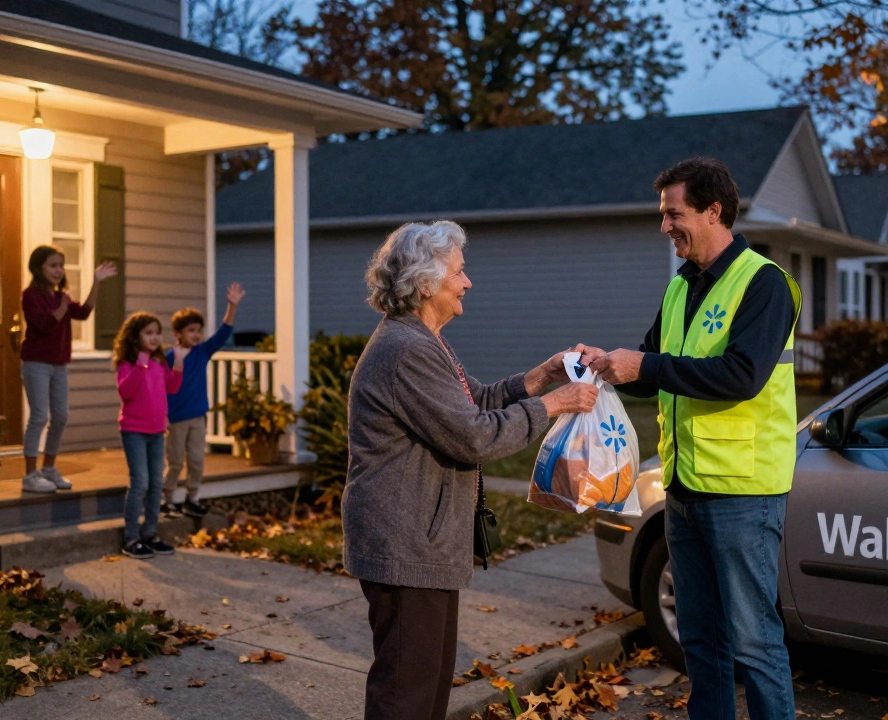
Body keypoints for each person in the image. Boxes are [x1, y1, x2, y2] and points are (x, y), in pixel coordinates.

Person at [343, 220, 598, 720]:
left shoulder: (422, 339)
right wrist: (555, 404)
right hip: (406, 543)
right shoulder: (405, 349)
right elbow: (475, 434)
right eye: (459, 272)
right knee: (405, 695)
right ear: (424, 283)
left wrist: (538, 378)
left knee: (427, 686)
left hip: (423, 543)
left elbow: (471, 401)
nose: (468, 282)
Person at [587, 157, 801, 720]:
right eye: (662, 215)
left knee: (754, 645)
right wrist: (603, 368)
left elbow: (741, 376)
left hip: (743, 496)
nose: (665, 227)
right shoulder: (681, 287)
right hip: (683, 493)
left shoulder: (764, 283)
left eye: (673, 214)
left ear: (713, 211)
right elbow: (649, 371)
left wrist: (645, 367)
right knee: (701, 643)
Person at [19, 245, 118, 493]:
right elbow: (43, 324)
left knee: (61, 416)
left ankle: (49, 468)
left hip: (59, 364)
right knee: (40, 416)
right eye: (53, 265)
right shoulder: (31, 295)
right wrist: (63, 304)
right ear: (38, 268)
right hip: (36, 364)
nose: (58, 270)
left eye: (61, 265)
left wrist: (97, 282)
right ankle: (30, 474)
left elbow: (83, 312)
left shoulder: (60, 297)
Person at [161, 282, 247, 519]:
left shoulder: (202, 352)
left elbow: (224, 331)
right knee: (176, 462)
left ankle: (192, 499)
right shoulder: (169, 357)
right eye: (191, 330)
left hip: (198, 417)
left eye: (198, 329)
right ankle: (167, 499)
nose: (197, 334)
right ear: (178, 333)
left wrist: (232, 306)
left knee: (197, 461)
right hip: (176, 419)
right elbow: (161, 387)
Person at [114, 311, 188, 560]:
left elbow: (172, 387)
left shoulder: (158, 362)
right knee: (140, 483)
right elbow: (126, 392)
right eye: (148, 332)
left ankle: (150, 534)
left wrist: (177, 365)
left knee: (157, 483)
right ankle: (131, 538)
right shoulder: (127, 363)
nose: (155, 337)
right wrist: (139, 363)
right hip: (134, 431)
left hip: (157, 432)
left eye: (157, 332)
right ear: (135, 337)